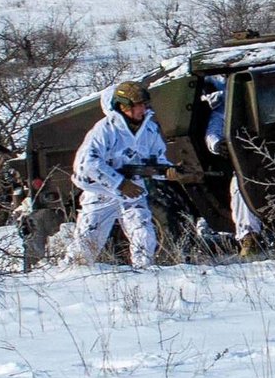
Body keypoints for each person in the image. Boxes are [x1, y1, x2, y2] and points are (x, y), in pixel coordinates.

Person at [63, 81, 192, 268]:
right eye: (138, 105)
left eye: (144, 104)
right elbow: (87, 163)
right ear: (124, 106)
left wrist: (168, 172)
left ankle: (144, 273)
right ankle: (71, 275)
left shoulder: (149, 129)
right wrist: (120, 183)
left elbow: (155, 159)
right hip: (101, 192)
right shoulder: (105, 129)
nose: (143, 109)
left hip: (133, 190)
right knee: (87, 243)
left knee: (144, 235)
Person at [201, 74, 266, 260]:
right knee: (241, 186)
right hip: (250, 160)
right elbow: (213, 131)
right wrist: (217, 144)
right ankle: (249, 237)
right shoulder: (227, 105)